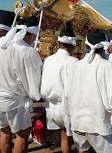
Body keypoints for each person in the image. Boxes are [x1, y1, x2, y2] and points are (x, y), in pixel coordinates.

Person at [63, 31, 112, 153]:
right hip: (98, 124)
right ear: (104, 47)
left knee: (83, 151)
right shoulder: (107, 66)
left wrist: (69, 114)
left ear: (86, 46)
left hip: (77, 121)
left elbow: (67, 94)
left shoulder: (76, 66)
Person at [0, 16, 42, 153]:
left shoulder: (0, 42)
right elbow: (33, 84)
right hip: (11, 102)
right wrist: (36, 97)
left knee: (5, 132)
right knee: (23, 134)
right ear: (32, 35)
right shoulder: (28, 51)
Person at [40, 22, 78, 153]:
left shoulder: (48, 60)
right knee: (78, 140)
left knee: (63, 137)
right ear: (72, 47)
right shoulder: (74, 62)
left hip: (51, 108)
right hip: (67, 108)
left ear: (58, 44)